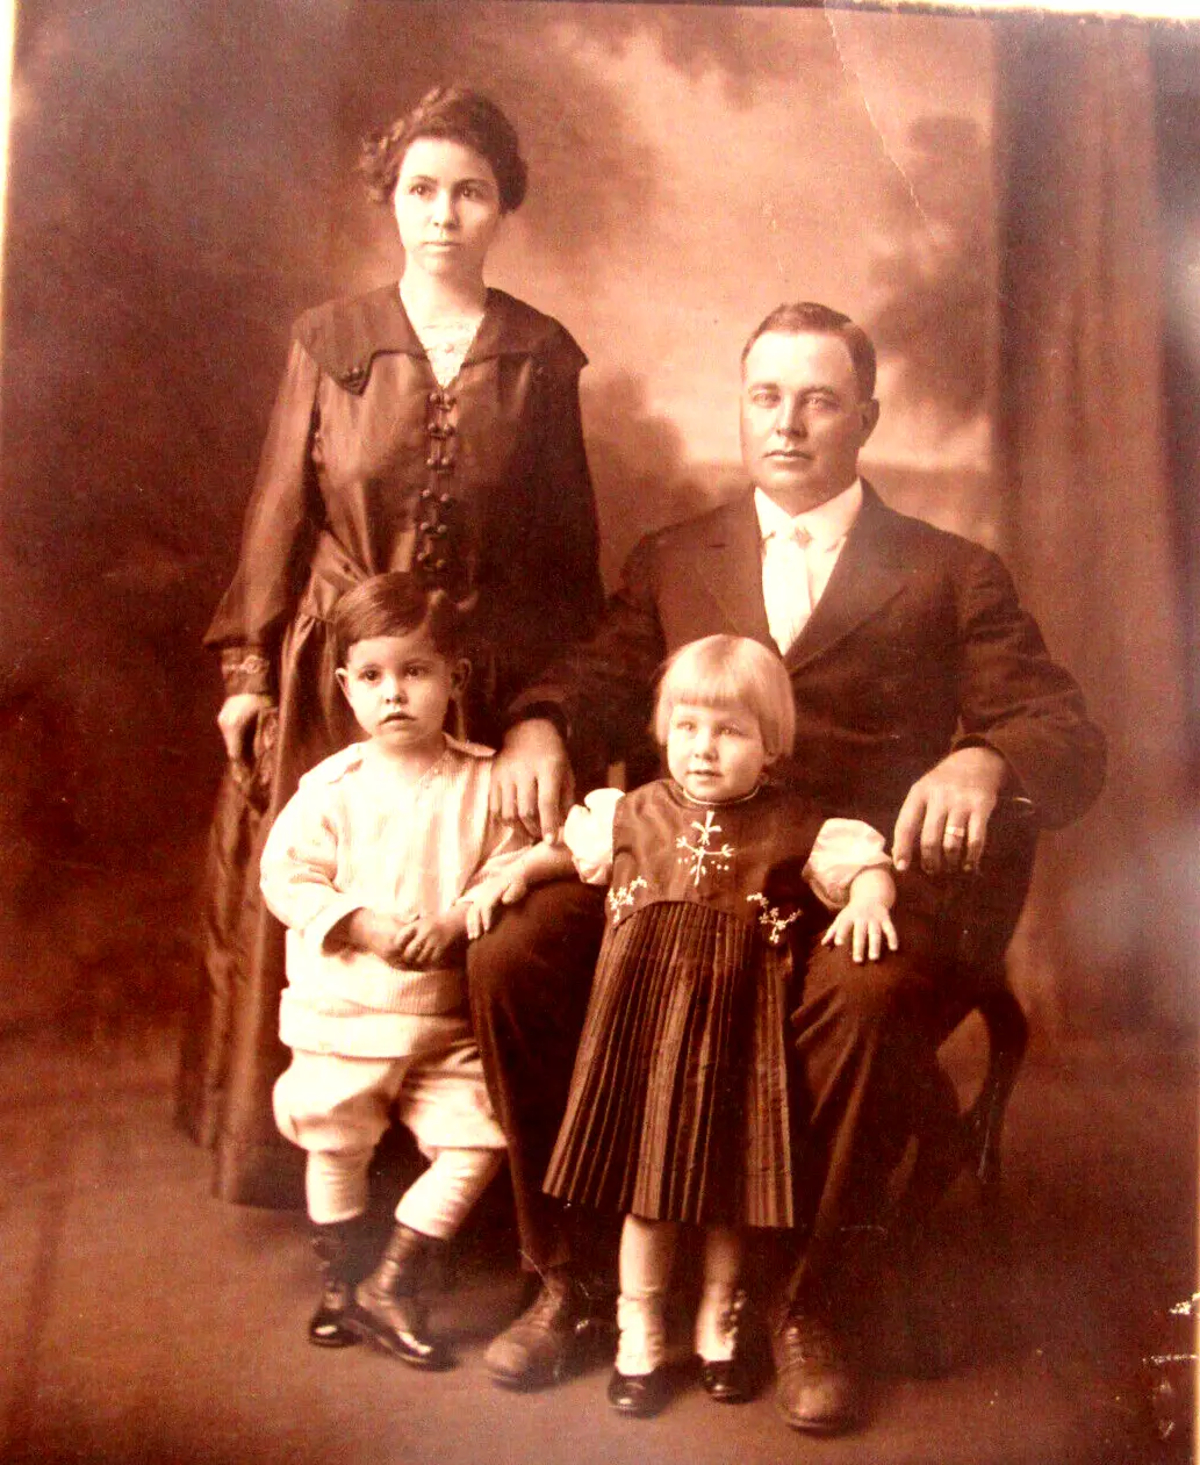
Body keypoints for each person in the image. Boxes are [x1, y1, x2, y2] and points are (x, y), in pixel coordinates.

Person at [499, 302, 1107, 1431]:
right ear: (742, 408)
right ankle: (576, 1275)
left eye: (820, 399)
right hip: (690, 872)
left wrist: (985, 754)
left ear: (865, 418)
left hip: (853, 887)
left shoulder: (948, 570)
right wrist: (539, 721)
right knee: (515, 952)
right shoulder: (677, 557)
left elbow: (1061, 728)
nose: (789, 423)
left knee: (866, 995)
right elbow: (593, 674)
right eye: (766, 397)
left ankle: (811, 1301)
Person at [179, 82, 607, 1354]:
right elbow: (277, 515)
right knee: (339, 907)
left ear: (503, 207)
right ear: (392, 199)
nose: (445, 213)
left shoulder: (542, 356)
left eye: (470, 190)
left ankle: (461, 1192)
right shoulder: (330, 339)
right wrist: (249, 674)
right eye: (422, 188)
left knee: (467, 902)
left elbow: (564, 570)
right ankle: (331, 1199)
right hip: (338, 678)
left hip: (486, 687)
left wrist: (539, 715)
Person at [528, 634, 894, 1418]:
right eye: (689, 726)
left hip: (739, 1041)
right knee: (647, 1197)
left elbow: (863, 863)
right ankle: (639, 1330)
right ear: (663, 728)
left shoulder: (798, 824)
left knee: (728, 1194)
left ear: (772, 747)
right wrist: (512, 874)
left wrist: (869, 897)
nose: (704, 747)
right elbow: (566, 855)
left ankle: (717, 1326)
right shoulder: (628, 813)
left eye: (730, 732)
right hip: (640, 1037)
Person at [259, 573, 562, 1368]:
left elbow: (512, 865)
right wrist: (358, 920)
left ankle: (394, 1277)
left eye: (415, 672)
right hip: (348, 1015)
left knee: (478, 1139)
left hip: (438, 1018)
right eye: (372, 676)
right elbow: (286, 877)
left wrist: (459, 919)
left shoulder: (485, 782)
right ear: (345, 686)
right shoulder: (331, 791)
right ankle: (342, 1286)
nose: (394, 693)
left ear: (454, 679)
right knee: (336, 1141)